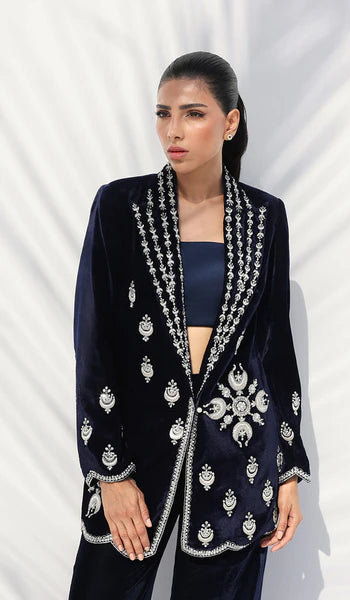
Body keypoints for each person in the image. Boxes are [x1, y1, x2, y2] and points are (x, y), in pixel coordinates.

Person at [68, 50, 311, 600]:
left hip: (238, 456)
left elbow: (274, 350)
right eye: (163, 114)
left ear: (230, 122)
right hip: (136, 451)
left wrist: (287, 468)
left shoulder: (265, 217)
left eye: (193, 114)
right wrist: (108, 471)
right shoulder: (120, 207)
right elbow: (93, 345)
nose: (172, 131)